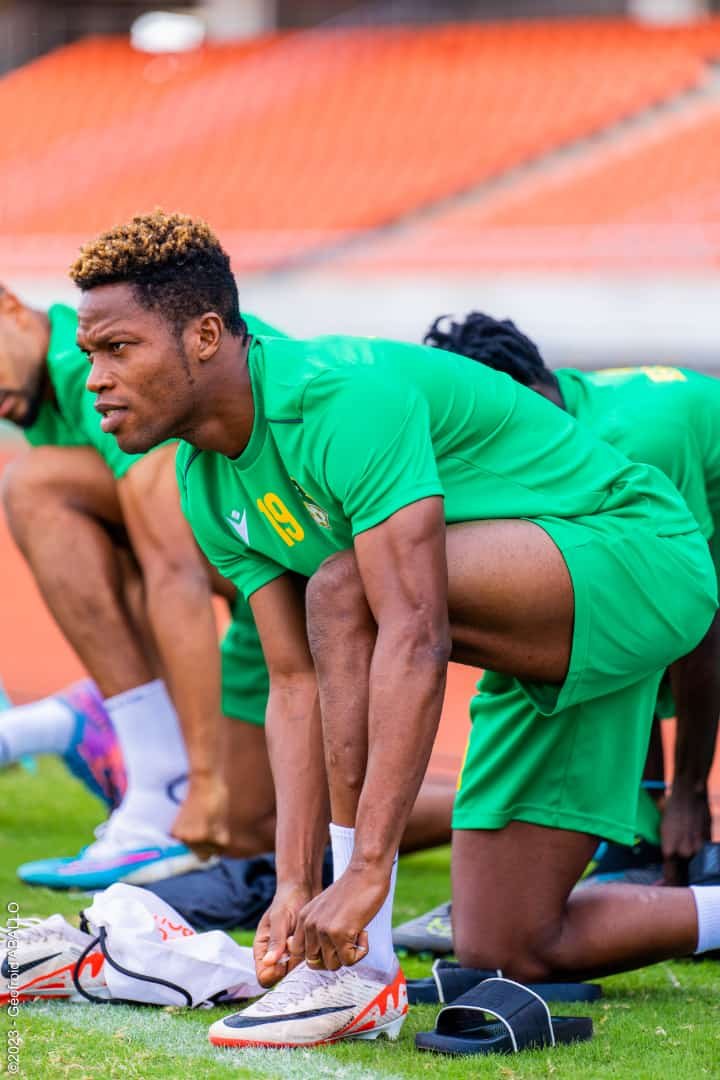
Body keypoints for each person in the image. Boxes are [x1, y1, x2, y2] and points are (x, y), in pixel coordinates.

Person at [70, 210, 720, 1051]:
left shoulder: (340, 397)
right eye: (89, 355)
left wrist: (366, 873)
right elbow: (294, 682)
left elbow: (414, 632)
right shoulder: (205, 481)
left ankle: (361, 970)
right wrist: (295, 883)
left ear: (203, 336)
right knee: (508, 942)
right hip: (537, 626)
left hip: (637, 557)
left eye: (118, 349)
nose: (96, 380)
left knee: (344, 588)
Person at [0, 283, 281, 887]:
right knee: (248, 827)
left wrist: (200, 780)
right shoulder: (39, 394)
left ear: (10, 308)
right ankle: (484, 823)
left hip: (307, 571)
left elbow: (176, 572)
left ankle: (158, 773)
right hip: (270, 579)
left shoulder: (91, 369)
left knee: (33, 486)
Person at [425, 312, 720, 885]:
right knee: (613, 615)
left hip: (698, 557)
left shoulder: (634, 439)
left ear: (520, 395)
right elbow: (627, 627)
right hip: (692, 536)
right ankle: (638, 825)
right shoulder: (562, 426)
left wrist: (688, 793)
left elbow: (697, 622)